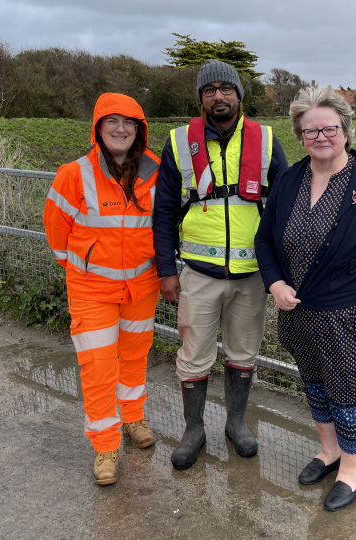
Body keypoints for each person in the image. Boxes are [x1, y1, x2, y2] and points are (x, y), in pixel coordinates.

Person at [254, 85, 356, 512]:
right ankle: (329, 452)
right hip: (300, 313)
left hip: (351, 316)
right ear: (299, 136)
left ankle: (352, 470)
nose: (320, 137)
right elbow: (264, 240)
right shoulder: (289, 180)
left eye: (328, 129)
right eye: (310, 131)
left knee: (350, 394)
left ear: (345, 129)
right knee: (316, 387)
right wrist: (274, 284)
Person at [153, 60, 288, 470]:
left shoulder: (266, 140)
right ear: (200, 99)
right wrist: (166, 270)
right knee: (194, 357)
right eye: (209, 90)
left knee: (243, 353)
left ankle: (235, 423)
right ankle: (193, 429)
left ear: (239, 95)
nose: (218, 97)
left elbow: (284, 208)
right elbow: (163, 213)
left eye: (225, 89)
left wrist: (279, 272)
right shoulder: (179, 143)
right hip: (197, 273)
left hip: (251, 277)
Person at [43, 93, 161, 485]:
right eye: (112, 120)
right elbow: (57, 236)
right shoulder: (74, 173)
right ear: (98, 127)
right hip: (91, 290)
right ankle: (105, 444)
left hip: (142, 287)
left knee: (134, 356)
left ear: (140, 130)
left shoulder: (156, 170)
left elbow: (164, 226)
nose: (121, 128)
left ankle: (132, 418)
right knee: (97, 367)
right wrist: (87, 267)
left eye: (130, 122)